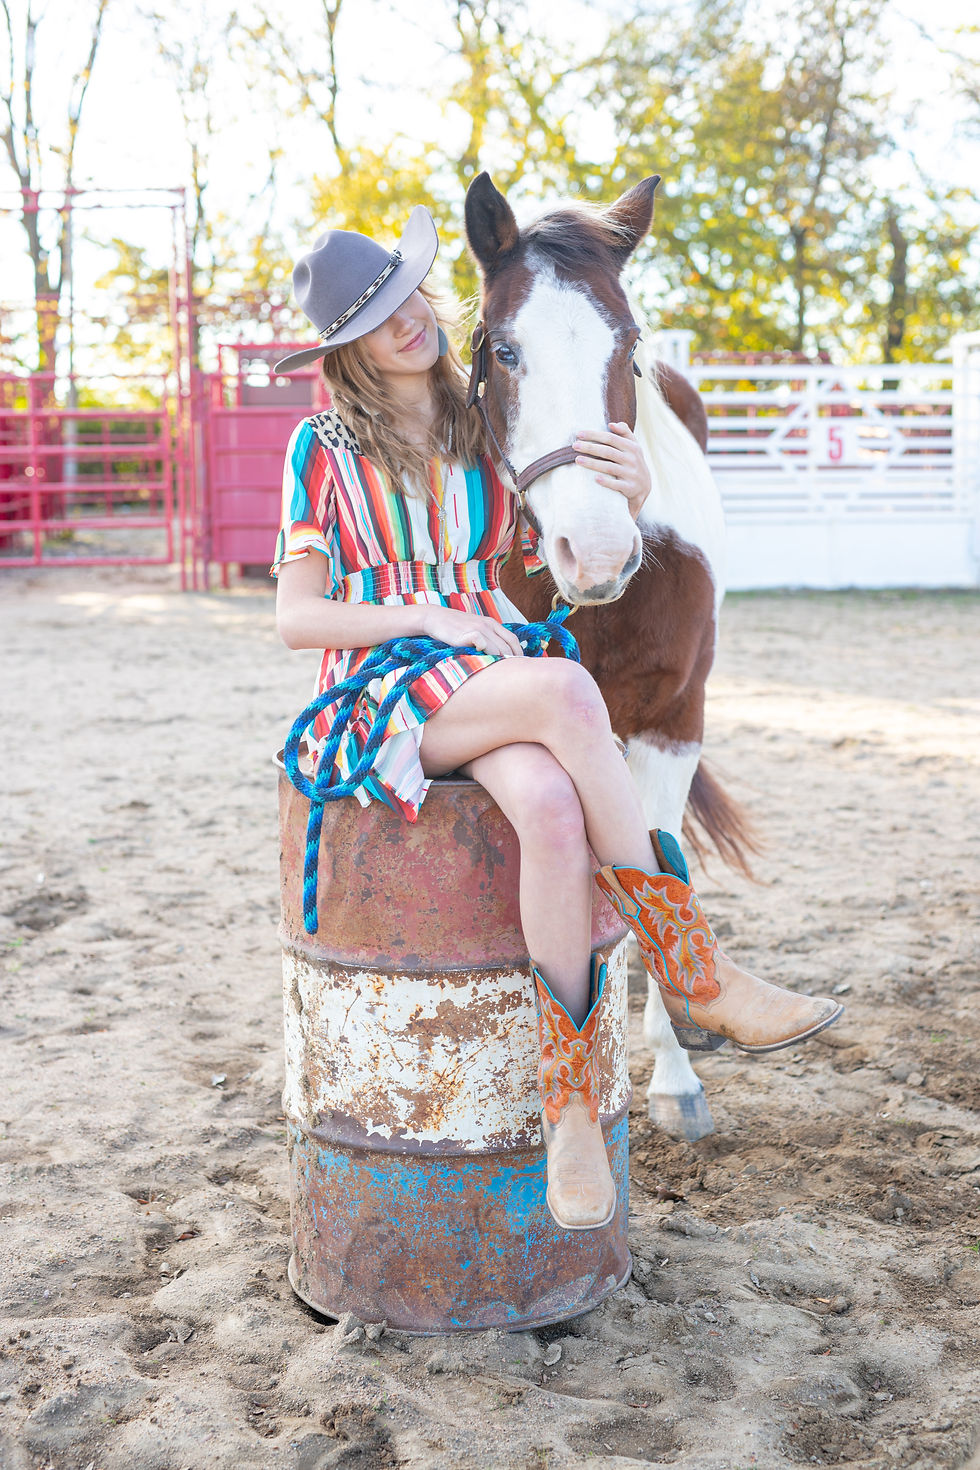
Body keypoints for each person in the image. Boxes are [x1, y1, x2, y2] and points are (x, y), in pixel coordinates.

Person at [272, 206, 843, 1234]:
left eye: (408, 296)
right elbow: (294, 615)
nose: (405, 322)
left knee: (546, 804)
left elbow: (547, 562)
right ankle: (691, 967)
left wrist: (625, 486)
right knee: (571, 692)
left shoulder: (478, 421)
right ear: (345, 346)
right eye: (374, 314)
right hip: (383, 685)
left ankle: (570, 1107)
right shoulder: (322, 446)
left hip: (487, 667)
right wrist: (427, 609)